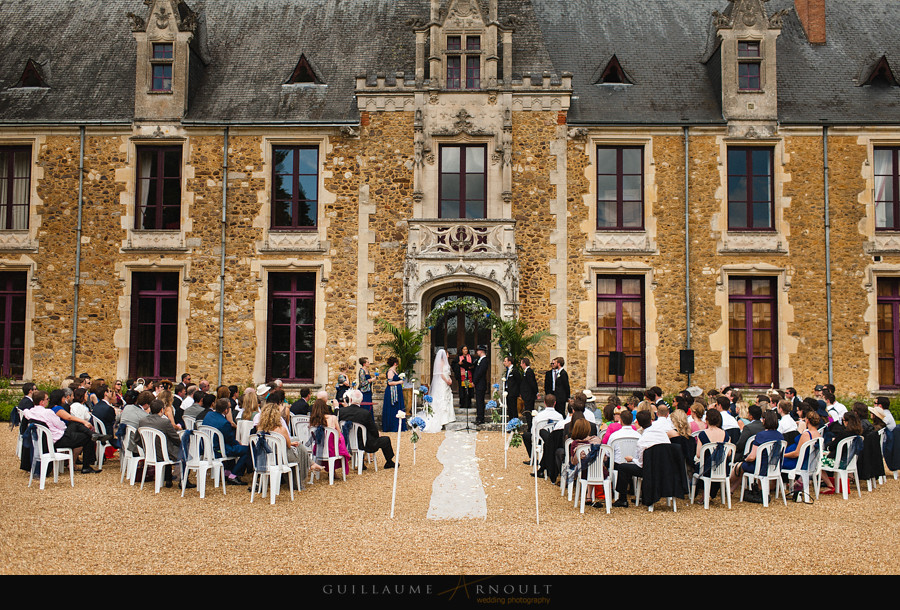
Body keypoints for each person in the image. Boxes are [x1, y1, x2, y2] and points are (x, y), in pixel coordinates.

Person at [613, 409, 670, 508]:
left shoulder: (642, 440)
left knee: (623, 467)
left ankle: (622, 499)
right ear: (651, 420)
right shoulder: (662, 434)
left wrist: (632, 459)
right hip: (664, 467)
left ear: (638, 423)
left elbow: (641, 463)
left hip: (649, 470)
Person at [256, 403, 320, 488]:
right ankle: (301, 477)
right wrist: (292, 444)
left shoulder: (259, 430)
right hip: (281, 458)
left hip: (267, 458)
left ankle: (311, 465)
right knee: (299, 448)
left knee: (297, 444)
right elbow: (289, 445)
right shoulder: (281, 429)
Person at [337, 389, 396, 468]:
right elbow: (373, 430)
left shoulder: (341, 411)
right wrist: (377, 434)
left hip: (347, 443)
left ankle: (361, 463)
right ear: (361, 400)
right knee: (386, 439)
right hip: (364, 444)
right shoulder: (365, 413)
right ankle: (389, 462)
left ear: (350, 399)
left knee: (360, 435)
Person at [729, 410, 784, 493]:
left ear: (765, 420)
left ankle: (727, 486)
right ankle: (731, 490)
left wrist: (745, 459)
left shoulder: (761, 435)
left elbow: (752, 457)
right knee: (741, 467)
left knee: (738, 467)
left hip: (760, 468)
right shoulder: (780, 436)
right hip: (774, 467)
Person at [203, 397, 251, 485]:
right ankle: (234, 475)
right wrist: (238, 443)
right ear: (226, 410)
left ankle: (227, 471)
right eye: (229, 408)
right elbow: (230, 440)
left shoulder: (209, 415)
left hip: (208, 447)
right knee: (248, 450)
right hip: (219, 450)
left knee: (233, 447)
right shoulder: (225, 423)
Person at [309, 397, 351, 475]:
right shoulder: (333, 418)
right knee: (340, 442)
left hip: (318, 449)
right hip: (332, 451)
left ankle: (331, 471)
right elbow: (339, 434)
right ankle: (334, 470)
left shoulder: (312, 420)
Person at [423, 349, 455, 432]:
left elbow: (447, 373)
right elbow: (440, 374)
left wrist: (450, 379)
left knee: (447, 398)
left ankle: (447, 417)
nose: (448, 356)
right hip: (442, 382)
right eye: (447, 354)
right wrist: (446, 381)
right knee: (442, 398)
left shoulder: (446, 362)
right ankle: (441, 419)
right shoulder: (440, 363)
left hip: (446, 382)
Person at [382, 356, 407, 432]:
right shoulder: (390, 371)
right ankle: (392, 426)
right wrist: (399, 382)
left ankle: (399, 425)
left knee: (397, 407)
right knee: (392, 408)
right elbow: (390, 382)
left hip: (397, 392)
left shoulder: (395, 371)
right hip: (392, 393)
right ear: (395, 363)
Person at [472, 345, 489, 425]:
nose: (477, 352)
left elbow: (480, 373)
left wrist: (474, 382)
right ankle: (479, 417)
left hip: (481, 384)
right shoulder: (480, 360)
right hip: (479, 384)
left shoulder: (484, 360)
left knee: (480, 401)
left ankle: (480, 418)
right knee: (478, 401)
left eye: (478, 350)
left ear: (481, 351)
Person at [502, 355, 521, 421]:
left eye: (505, 361)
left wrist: (518, 392)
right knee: (509, 408)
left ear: (509, 362)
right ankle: (510, 423)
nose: (504, 362)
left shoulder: (514, 371)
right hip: (508, 392)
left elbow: (518, 381)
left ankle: (515, 424)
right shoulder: (508, 370)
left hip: (513, 392)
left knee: (513, 408)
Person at [520, 357, 538, 425]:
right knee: (528, 411)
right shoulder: (526, 372)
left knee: (529, 411)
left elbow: (532, 384)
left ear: (524, 363)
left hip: (529, 396)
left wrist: (536, 392)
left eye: (521, 363)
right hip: (527, 395)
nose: (520, 365)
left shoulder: (529, 372)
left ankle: (530, 426)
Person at [457, 346, 474, 410]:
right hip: (462, 376)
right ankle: (462, 403)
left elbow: (474, 365)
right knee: (462, 390)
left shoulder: (471, 357)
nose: (465, 350)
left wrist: (471, 367)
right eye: (464, 349)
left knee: (468, 389)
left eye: (466, 349)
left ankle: (469, 403)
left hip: (469, 376)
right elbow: (454, 365)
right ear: (461, 350)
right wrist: (459, 363)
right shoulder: (458, 358)